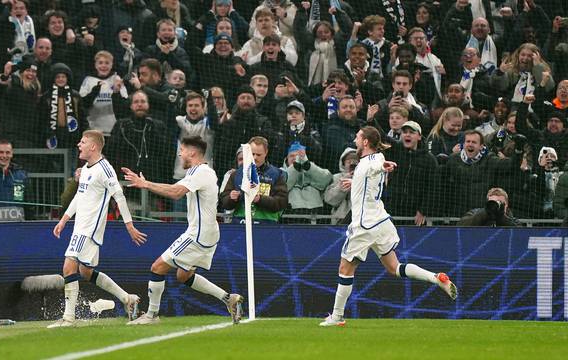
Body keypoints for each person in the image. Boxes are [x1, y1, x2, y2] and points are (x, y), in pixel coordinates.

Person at [320, 126, 457, 327]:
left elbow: (374, 167)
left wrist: (384, 167)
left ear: (366, 142)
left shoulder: (371, 162)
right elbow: (372, 170)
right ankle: (436, 278)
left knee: (345, 268)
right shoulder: (375, 158)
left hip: (364, 225)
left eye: (358, 137)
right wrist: (354, 181)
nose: (355, 140)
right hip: (382, 221)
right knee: (394, 268)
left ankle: (337, 316)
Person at [123, 135, 244, 325]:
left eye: (182, 150)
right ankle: (229, 299)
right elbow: (177, 188)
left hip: (197, 234)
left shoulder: (201, 172)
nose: (179, 154)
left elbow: (176, 192)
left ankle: (152, 315)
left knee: (157, 268)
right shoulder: (200, 172)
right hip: (208, 233)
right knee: (183, 275)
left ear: (192, 152)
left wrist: (145, 184)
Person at [48, 130, 147, 328]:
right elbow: (79, 197)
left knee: (68, 266)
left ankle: (68, 318)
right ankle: (128, 299)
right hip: (80, 227)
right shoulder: (85, 169)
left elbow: (119, 196)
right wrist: (64, 219)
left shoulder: (105, 169)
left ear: (93, 146)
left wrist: (129, 225)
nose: (79, 145)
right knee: (85, 271)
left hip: (89, 229)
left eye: (82, 142)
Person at [220, 136, 288, 224]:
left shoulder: (276, 174)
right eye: (252, 154)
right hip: (240, 223)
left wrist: (260, 199)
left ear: (266, 152)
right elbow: (224, 202)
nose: (255, 157)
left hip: (267, 224)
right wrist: (231, 198)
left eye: (259, 155)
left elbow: (282, 202)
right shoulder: (236, 174)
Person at [457, 187, 521, 226]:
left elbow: (518, 232)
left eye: (499, 202)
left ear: (506, 205)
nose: (495, 205)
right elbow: (461, 225)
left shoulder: (512, 219)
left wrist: (501, 217)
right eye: (493, 202)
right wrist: (486, 213)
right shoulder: (475, 213)